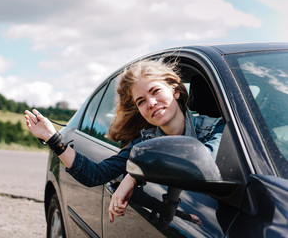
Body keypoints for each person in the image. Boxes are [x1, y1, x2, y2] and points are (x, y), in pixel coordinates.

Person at [24, 59, 224, 224]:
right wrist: (52, 138)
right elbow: (95, 175)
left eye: (155, 91)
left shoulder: (218, 127)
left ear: (176, 90)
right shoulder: (143, 144)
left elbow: (204, 161)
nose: (151, 103)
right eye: (141, 101)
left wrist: (133, 177)